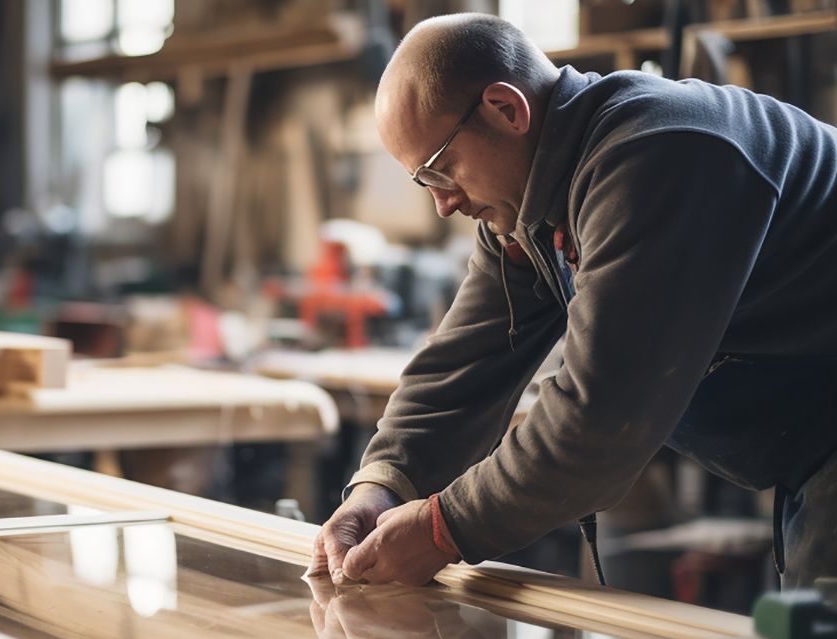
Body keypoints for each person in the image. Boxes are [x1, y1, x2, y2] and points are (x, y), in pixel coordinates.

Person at [308, 12, 837, 590]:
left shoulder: (657, 155)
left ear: (505, 109)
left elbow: (599, 420)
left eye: (440, 172)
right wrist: (379, 488)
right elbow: (462, 365)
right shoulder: (530, 204)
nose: (444, 205)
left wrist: (443, 529)